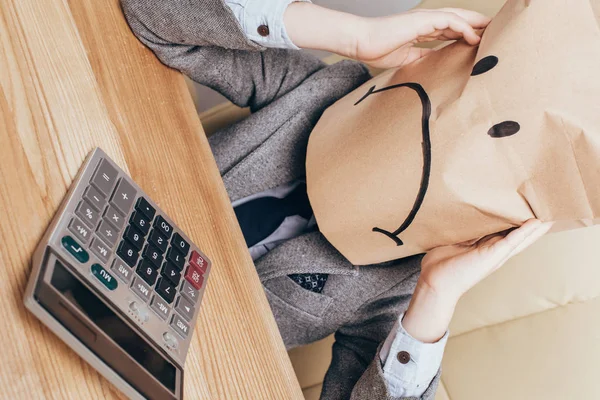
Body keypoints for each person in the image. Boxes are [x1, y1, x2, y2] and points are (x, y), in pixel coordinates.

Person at [121, 1, 553, 398]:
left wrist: (434, 297)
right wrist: (354, 37)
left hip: (160, 364)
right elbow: (150, 16)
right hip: (111, 218)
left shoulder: (401, 277)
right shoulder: (328, 90)